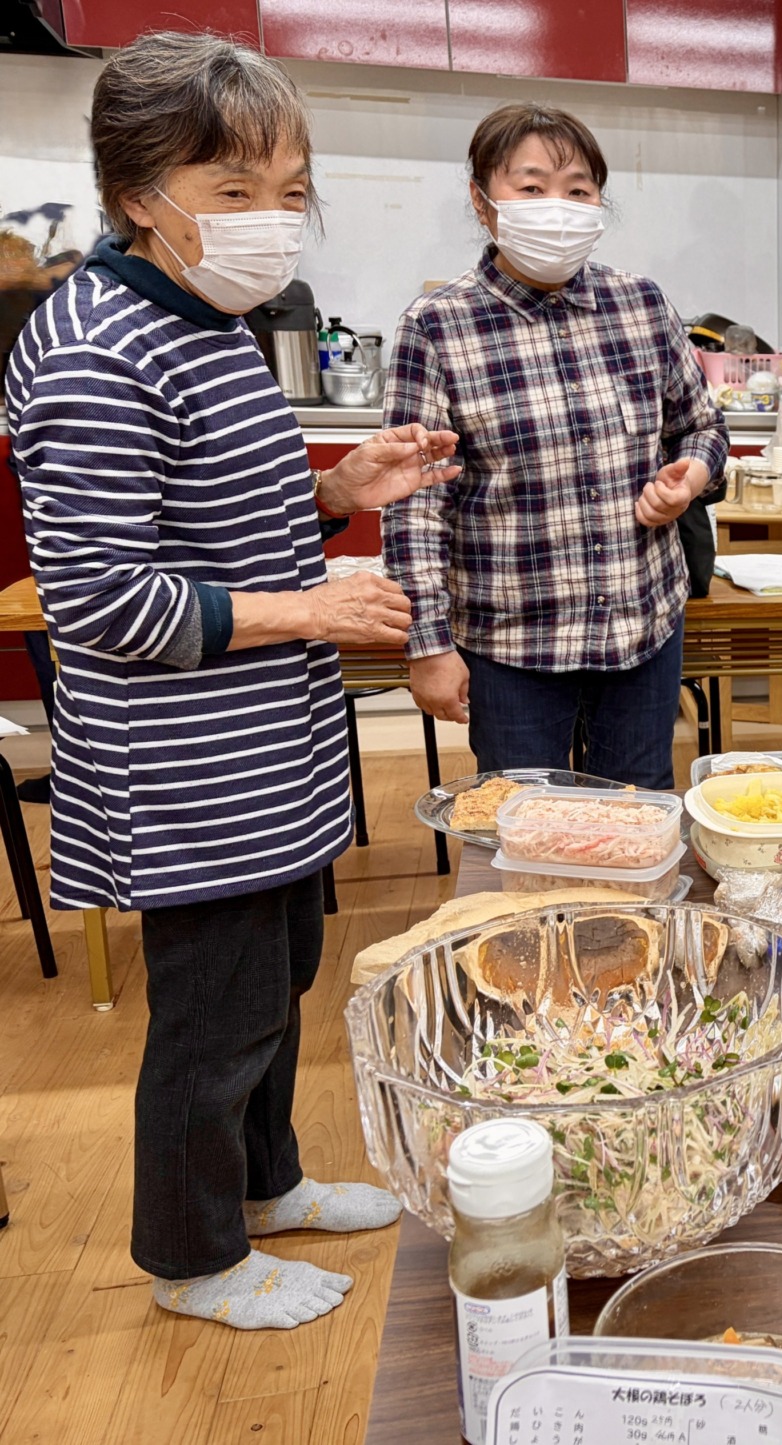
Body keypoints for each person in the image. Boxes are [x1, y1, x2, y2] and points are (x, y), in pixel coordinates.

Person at [5, 32, 459, 1329]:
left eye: (288, 189)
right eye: (234, 191)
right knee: (209, 1024)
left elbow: (211, 523)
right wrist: (312, 609)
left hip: (267, 744)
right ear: (141, 191)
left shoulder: (205, 316)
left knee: (277, 983)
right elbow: (100, 597)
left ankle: (266, 1186)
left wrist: (336, 492)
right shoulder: (97, 347)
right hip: (185, 765)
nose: (272, 222)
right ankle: (194, 1258)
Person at [382, 103, 726, 790]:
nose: (558, 207)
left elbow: (702, 426)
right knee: (528, 830)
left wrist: (690, 477)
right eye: (531, 187)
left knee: (637, 817)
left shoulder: (642, 305)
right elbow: (415, 504)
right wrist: (428, 644)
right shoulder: (437, 327)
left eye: (578, 189)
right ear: (483, 204)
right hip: (513, 645)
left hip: (642, 629)